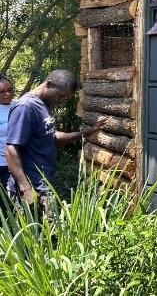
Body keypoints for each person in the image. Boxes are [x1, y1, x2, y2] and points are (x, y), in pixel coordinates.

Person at [5, 69, 105, 207]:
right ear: (49, 84)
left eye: (65, 97)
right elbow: (11, 148)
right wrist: (25, 188)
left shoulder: (43, 104)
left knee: (49, 228)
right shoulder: (26, 107)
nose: (62, 100)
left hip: (44, 184)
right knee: (37, 228)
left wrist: (88, 132)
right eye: (61, 95)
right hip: (32, 187)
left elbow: (52, 137)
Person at [0, 75, 16, 202]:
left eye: (10, 90)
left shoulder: (20, 107)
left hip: (15, 163)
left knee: (12, 201)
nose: (7, 94)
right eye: (2, 91)